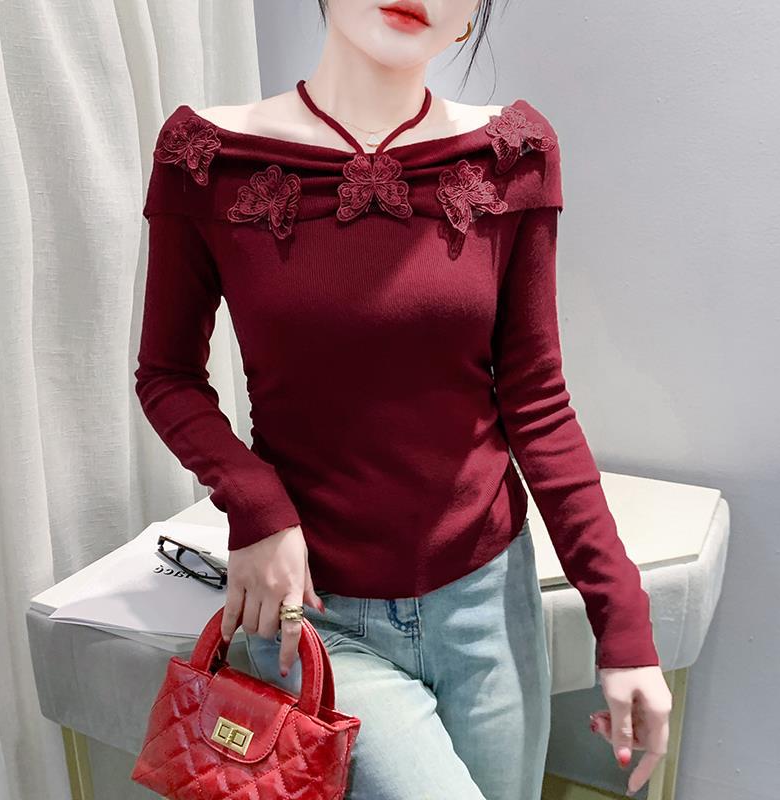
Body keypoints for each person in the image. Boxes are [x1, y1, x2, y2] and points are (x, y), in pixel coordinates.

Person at [133, 1, 673, 797]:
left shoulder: (512, 154)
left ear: (468, 19)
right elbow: (167, 374)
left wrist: (623, 625)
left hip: (490, 607)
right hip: (315, 618)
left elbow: (537, 400)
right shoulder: (208, 158)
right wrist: (255, 502)